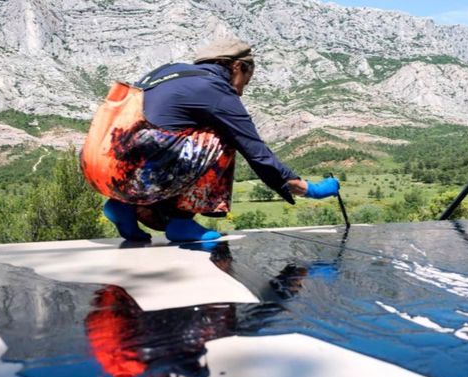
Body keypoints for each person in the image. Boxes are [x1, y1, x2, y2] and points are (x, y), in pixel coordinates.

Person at [82, 38, 340, 242]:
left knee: (180, 140)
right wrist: (309, 189)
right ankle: (181, 223)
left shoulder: (169, 72)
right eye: (245, 82)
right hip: (132, 169)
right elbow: (256, 152)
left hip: (100, 165)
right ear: (238, 67)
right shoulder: (214, 89)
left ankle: (122, 207)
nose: (241, 90)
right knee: (224, 137)